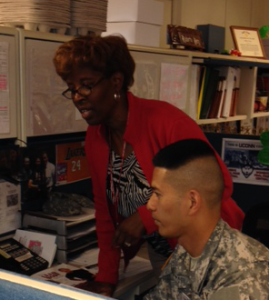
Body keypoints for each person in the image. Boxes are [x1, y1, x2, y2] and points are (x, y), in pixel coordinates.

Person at [53, 34, 244, 297]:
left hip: (208, 249)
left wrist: (144, 218)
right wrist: (106, 278)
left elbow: (217, 185)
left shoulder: (166, 123)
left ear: (116, 82)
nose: (77, 97)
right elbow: (104, 209)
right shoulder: (96, 138)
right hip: (162, 252)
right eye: (71, 87)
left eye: (86, 85)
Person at [144, 139, 269, 300]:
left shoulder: (243, 277)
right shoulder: (187, 251)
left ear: (192, 202)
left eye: (158, 194)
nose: (150, 205)